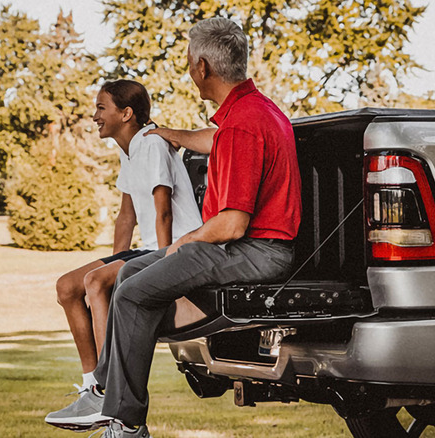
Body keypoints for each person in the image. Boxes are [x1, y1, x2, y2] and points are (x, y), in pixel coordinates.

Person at [46, 17, 302, 438]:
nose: (188, 67)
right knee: (130, 275)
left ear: (202, 67)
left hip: (254, 250)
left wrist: (180, 245)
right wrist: (172, 134)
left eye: (188, 60)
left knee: (127, 293)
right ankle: (105, 394)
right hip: (254, 247)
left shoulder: (242, 123)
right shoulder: (258, 110)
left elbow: (232, 223)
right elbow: (215, 140)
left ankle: (125, 423)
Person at [49, 79, 203, 405]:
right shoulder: (129, 150)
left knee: (95, 282)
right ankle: (92, 385)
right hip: (147, 248)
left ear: (126, 113)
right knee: (67, 287)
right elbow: (126, 217)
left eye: (101, 108)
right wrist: (115, 263)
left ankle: (109, 390)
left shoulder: (152, 144)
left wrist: (162, 263)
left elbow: (163, 210)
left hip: (176, 245)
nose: (94, 116)